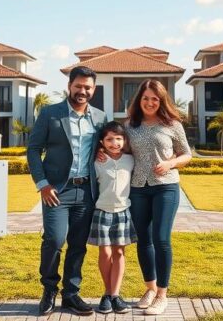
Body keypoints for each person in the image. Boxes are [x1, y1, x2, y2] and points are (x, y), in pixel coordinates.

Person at [26, 66, 107, 316]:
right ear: (69, 86)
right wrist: (43, 184)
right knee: (54, 239)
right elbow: (33, 150)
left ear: (93, 90)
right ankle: (49, 289)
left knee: (78, 244)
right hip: (56, 192)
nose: (82, 91)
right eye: (79, 86)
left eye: (88, 87)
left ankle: (71, 294)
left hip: (86, 193)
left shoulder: (100, 117)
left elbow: (108, 145)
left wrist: (104, 153)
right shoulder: (51, 113)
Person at [123, 79, 191, 315]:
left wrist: (171, 162)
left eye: (155, 99)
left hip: (166, 187)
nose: (150, 102)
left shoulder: (172, 124)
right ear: (138, 100)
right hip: (138, 188)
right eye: (145, 98)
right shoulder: (130, 126)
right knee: (143, 240)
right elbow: (121, 150)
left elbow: (187, 154)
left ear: (161, 101)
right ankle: (150, 289)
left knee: (161, 238)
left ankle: (162, 294)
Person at [89, 121, 136, 314]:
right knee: (105, 253)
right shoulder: (96, 161)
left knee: (119, 253)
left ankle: (115, 295)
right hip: (102, 212)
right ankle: (107, 293)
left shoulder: (130, 159)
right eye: (109, 139)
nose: (114, 142)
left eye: (118, 138)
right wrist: (97, 152)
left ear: (124, 140)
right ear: (102, 141)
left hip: (123, 212)